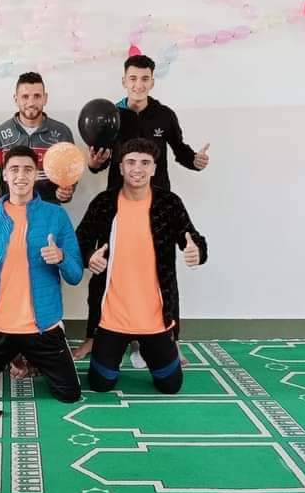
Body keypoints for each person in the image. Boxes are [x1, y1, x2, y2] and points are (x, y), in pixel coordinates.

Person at [77, 54, 210, 364]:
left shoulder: (164, 115)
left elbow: (181, 152)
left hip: (158, 207)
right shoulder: (110, 116)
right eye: (133, 78)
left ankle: (170, 338)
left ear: (152, 81)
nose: (138, 84)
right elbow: (99, 161)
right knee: (103, 270)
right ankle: (94, 336)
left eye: (145, 79)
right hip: (116, 204)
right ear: (124, 81)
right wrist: (93, 164)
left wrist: (196, 161)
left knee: (162, 272)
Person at [76, 137, 207, 394]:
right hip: (112, 319)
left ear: (154, 168)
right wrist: (90, 256)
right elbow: (79, 242)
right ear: (121, 167)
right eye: (131, 162)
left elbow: (193, 239)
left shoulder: (169, 203)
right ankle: (112, 350)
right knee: (101, 384)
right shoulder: (104, 202)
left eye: (145, 163)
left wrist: (197, 252)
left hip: (155, 319)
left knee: (170, 386)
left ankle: (152, 348)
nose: (138, 168)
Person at [0, 145, 83, 403]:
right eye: (14, 169)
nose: (21, 176)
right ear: (4, 175)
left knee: (70, 394)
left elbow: (75, 276)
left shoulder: (56, 215)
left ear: (36, 175)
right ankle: (13, 359)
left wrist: (61, 257)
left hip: (43, 327)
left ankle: (30, 360)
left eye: (28, 169)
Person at [0, 72, 77, 204]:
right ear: (16, 99)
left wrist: (67, 191)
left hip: (49, 209)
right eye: (25, 97)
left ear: (45, 98)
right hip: (10, 211)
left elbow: (72, 173)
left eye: (37, 96)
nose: (31, 102)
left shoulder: (62, 133)